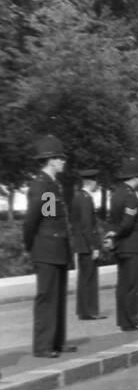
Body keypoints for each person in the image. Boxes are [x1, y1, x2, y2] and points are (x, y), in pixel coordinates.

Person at [23, 135, 76, 358]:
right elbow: (34, 220)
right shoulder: (43, 185)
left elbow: (50, 215)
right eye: (60, 158)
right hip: (46, 248)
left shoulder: (52, 184)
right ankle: (44, 345)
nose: (63, 161)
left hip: (56, 247)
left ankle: (57, 341)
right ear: (51, 160)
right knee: (47, 297)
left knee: (58, 296)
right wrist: (32, 246)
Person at [107, 159, 138, 332]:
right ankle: (133, 320)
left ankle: (123, 320)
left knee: (123, 284)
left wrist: (113, 236)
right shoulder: (131, 195)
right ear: (135, 177)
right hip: (133, 244)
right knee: (133, 284)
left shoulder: (116, 194)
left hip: (121, 246)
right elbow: (128, 222)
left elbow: (112, 219)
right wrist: (117, 233)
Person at [70, 168, 105, 320]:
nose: (97, 184)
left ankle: (85, 310)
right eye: (96, 181)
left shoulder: (79, 196)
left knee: (85, 278)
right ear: (91, 182)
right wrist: (94, 247)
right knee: (89, 278)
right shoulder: (85, 198)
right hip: (86, 245)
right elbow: (87, 225)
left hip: (81, 244)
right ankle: (89, 311)